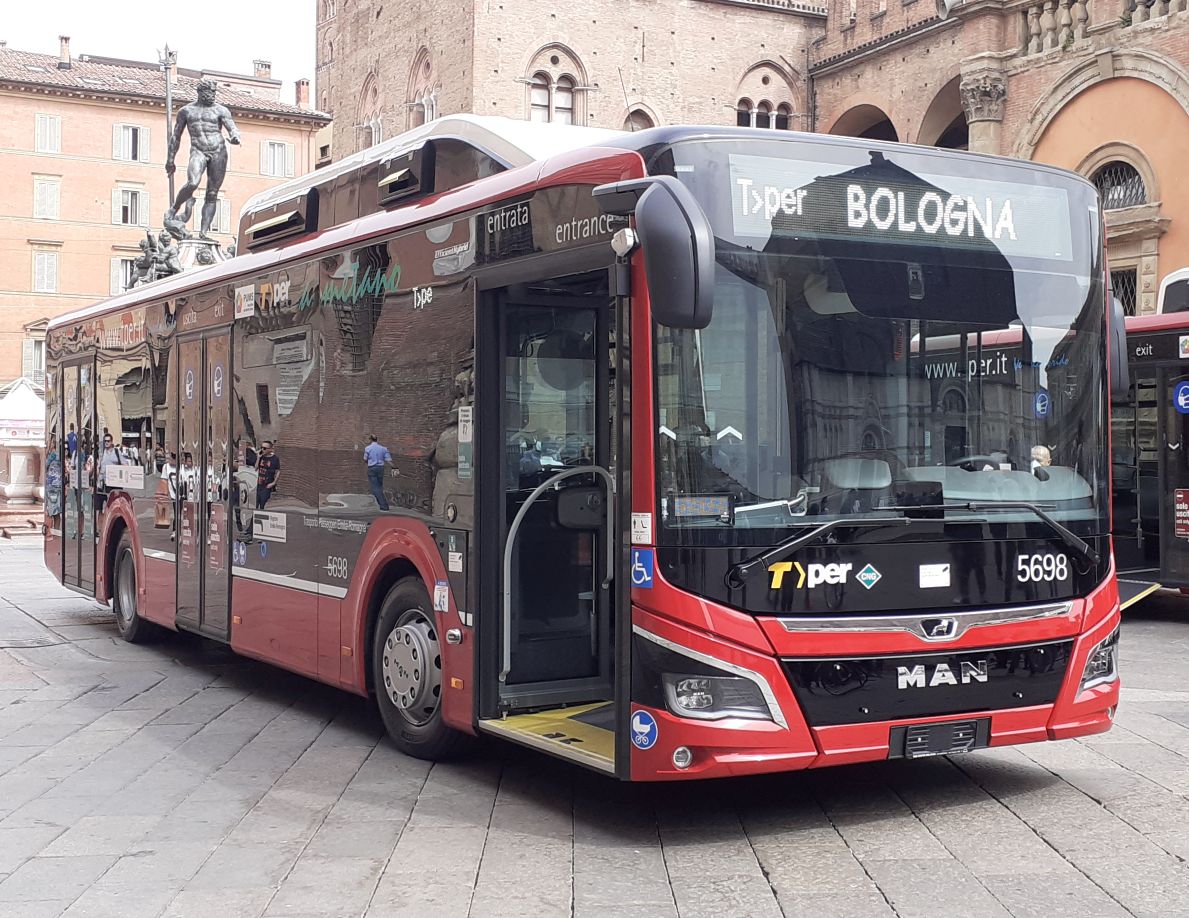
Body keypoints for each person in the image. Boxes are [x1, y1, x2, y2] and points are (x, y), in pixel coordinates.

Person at [364, 435, 392, 511]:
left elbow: (365, 459)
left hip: (372, 468)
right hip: (381, 468)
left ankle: (384, 506)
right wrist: (394, 467)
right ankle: (382, 505)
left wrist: (369, 462)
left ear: (370, 439)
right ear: (376, 439)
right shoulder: (383, 448)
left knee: (375, 488)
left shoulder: (368, 448)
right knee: (379, 486)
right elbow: (388, 459)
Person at [255, 440, 281, 509]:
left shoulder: (275, 458)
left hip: (267, 485)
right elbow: (256, 468)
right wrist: (258, 457)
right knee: (256, 504)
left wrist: (274, 482)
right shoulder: (261, 457)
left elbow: (278, 470)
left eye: (264, 448)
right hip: (259, 484)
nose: (262, 450)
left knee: (263, 504)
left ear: (270, 449)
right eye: (261, 447)